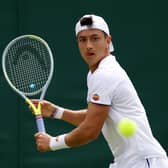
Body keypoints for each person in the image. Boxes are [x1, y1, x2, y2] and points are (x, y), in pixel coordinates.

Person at [32, 14, 168, 168]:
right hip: (131, 162)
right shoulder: (96, 73)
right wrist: (56, 112)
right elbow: (96, 116)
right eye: (82, 40)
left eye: (95, 38)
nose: (88, 45)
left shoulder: (105, 74)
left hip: (143, 162)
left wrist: (52, 143)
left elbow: (90, 130)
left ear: (108, 41)